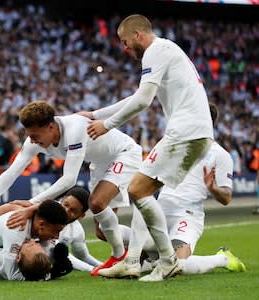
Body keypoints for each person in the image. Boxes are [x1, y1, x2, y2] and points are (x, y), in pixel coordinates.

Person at [83, 14, 213, 281]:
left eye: (125, 41)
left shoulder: (157, 50)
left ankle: (167, 261)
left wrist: (106, 125)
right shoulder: (166, 51)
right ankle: (132, 261)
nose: (124, 48)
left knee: (137, 189)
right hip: (192, 132)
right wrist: (95, 114)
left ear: (138, 35)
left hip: (186, 132)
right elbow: (137, 97)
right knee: (142, 191)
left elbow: (143, 100)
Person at [0, 100, 142, 273]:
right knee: (102, 231)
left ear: (50, 127)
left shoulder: (74, 130)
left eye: (35, 135)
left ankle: (120, 258)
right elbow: (10, 173)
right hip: (99, 164)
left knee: (96, 203)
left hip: (123, 154)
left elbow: (69, 179)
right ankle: (147, 249)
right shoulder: (34, 141)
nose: (32, 141)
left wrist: (32, 204)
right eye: (28, 135)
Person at [99, 103, 246, 278]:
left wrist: (213, 188)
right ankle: (150, 260)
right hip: (158, 210)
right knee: (103, 228)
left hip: (187, 215)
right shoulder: (173, 146)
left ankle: (221, 258)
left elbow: (226, 197)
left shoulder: (220, 155)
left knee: (179, 265)